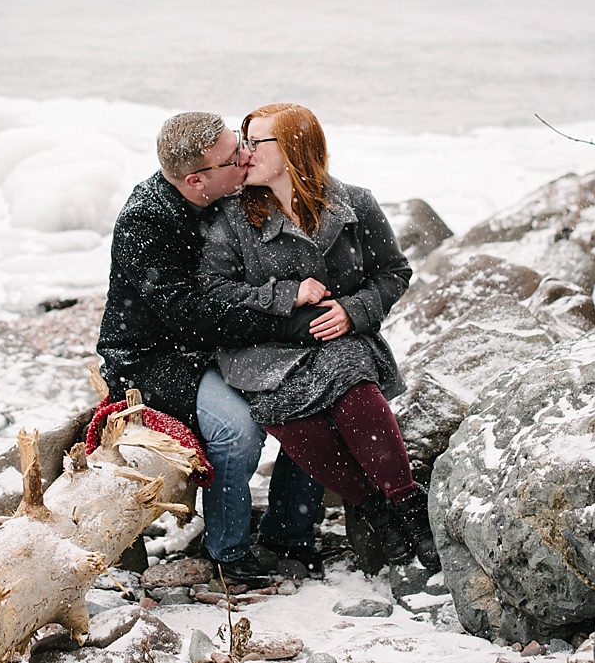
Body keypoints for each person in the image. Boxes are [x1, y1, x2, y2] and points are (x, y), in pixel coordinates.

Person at [198, 102, 440, 573]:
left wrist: (354, 311)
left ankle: (408, 506)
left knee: (352, 378)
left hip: (336, 337)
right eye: (242, 141)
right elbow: (213, 289)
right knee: (286, 410)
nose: (243, 153)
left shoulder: (356, 204)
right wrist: (286, 294)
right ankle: (373, 508)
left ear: (292, 149)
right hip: (260, 347)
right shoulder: (231, 215)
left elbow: (394, 272)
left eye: (254, 142)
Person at [97, 111, 326, 584]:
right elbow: (193, 318)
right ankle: (228, 553)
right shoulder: (147, 222)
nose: (246, 156)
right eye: (233, 156)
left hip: (221, 341)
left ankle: (290, 532)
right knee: (238, 431)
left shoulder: (233, 192)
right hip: (155, 357)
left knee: (316, 396)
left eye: (242, 144)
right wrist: (291, 320)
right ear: (197, 180)